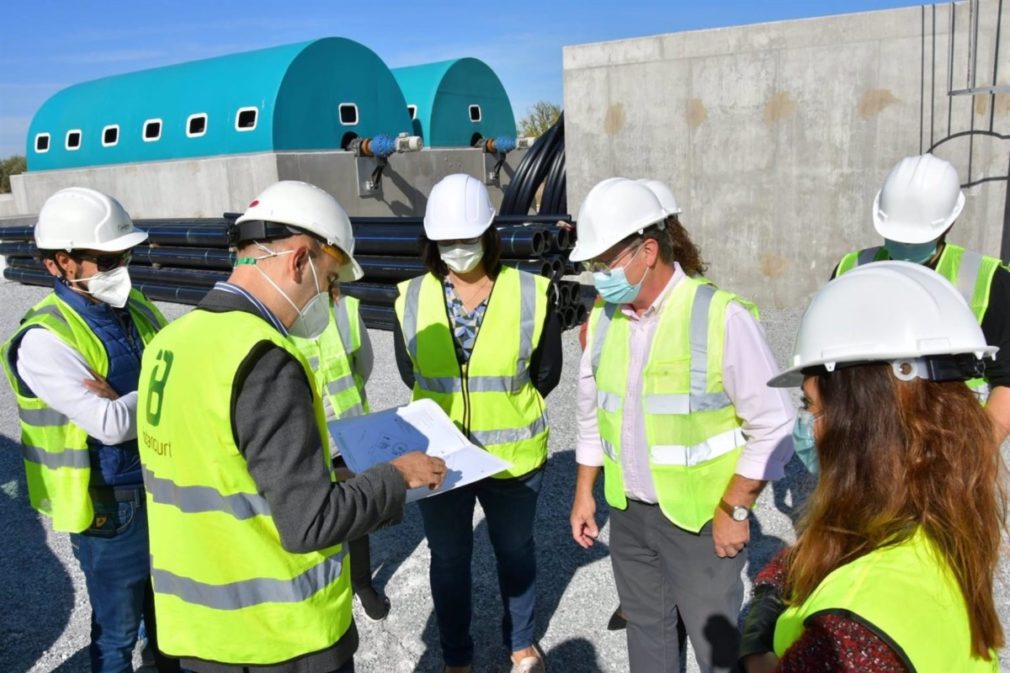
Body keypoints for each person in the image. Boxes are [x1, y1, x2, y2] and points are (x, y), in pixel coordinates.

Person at [136, 180, 447, 673]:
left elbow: (228, 476)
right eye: (328, 279)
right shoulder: (264, 359)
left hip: (197, 630)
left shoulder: (171, 342)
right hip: (278, 640)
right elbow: (309, 525)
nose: (327, 295)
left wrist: (342, 480)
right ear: (300, 260)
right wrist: (397, 475)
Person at [568, 177, 795, 673]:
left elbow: (775, 423)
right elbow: (591, 414)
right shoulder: (604, 321)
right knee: (647, 640)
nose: (598, 277)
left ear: (647, 251)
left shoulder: (721, 317)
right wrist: (585, 491)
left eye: (604, 263)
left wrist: (735, 510)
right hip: (628, 517)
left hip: (700, 524)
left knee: (715, 648)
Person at [739, 261, 1006, 672]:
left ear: (861, 425)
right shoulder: (941, 528)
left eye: (809, 405)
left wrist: (756, 647)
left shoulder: (853, 632)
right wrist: (784, 573)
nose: (804, 424)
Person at [392, 173, 563, 673]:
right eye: (448, 241)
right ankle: (457, 658)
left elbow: (547, 373)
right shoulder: (410, 297)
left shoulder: (532, 292)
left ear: (488, 234)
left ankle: (522, 643)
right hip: (438, 460)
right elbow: (411, 372)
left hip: (512, 460)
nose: (458, 249)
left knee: (515, 551)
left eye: (467, 239)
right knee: (447, 560)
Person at [0, 187, 175, 673]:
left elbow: (176, 374)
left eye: (124, 255)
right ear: (60, 263)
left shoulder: (136, 307)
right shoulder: (44, 340)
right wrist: (159, 394)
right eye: (105, 259)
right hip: (107, 505)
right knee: (117, 634)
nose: (121, 268)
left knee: (170, 616)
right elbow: (111, 424)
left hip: (161, 483)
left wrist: (136, 396)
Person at [832, 153, 1010, 443]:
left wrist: (979, 457)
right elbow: (822, 365)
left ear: (949, 225)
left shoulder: (989, 280)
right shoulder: (850, 270)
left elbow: (1007, 381)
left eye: (915, 239)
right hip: (866, 446)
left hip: (952, 446)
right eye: (895, 236)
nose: (904, 245)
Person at [291, 283, 390, 621]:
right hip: (315, 441)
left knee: (349, 517)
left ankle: (359, 584)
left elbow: (364, 365)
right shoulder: (280, 316)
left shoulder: (345, 310)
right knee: (325, 517)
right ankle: (340, 587)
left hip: (342, 440)